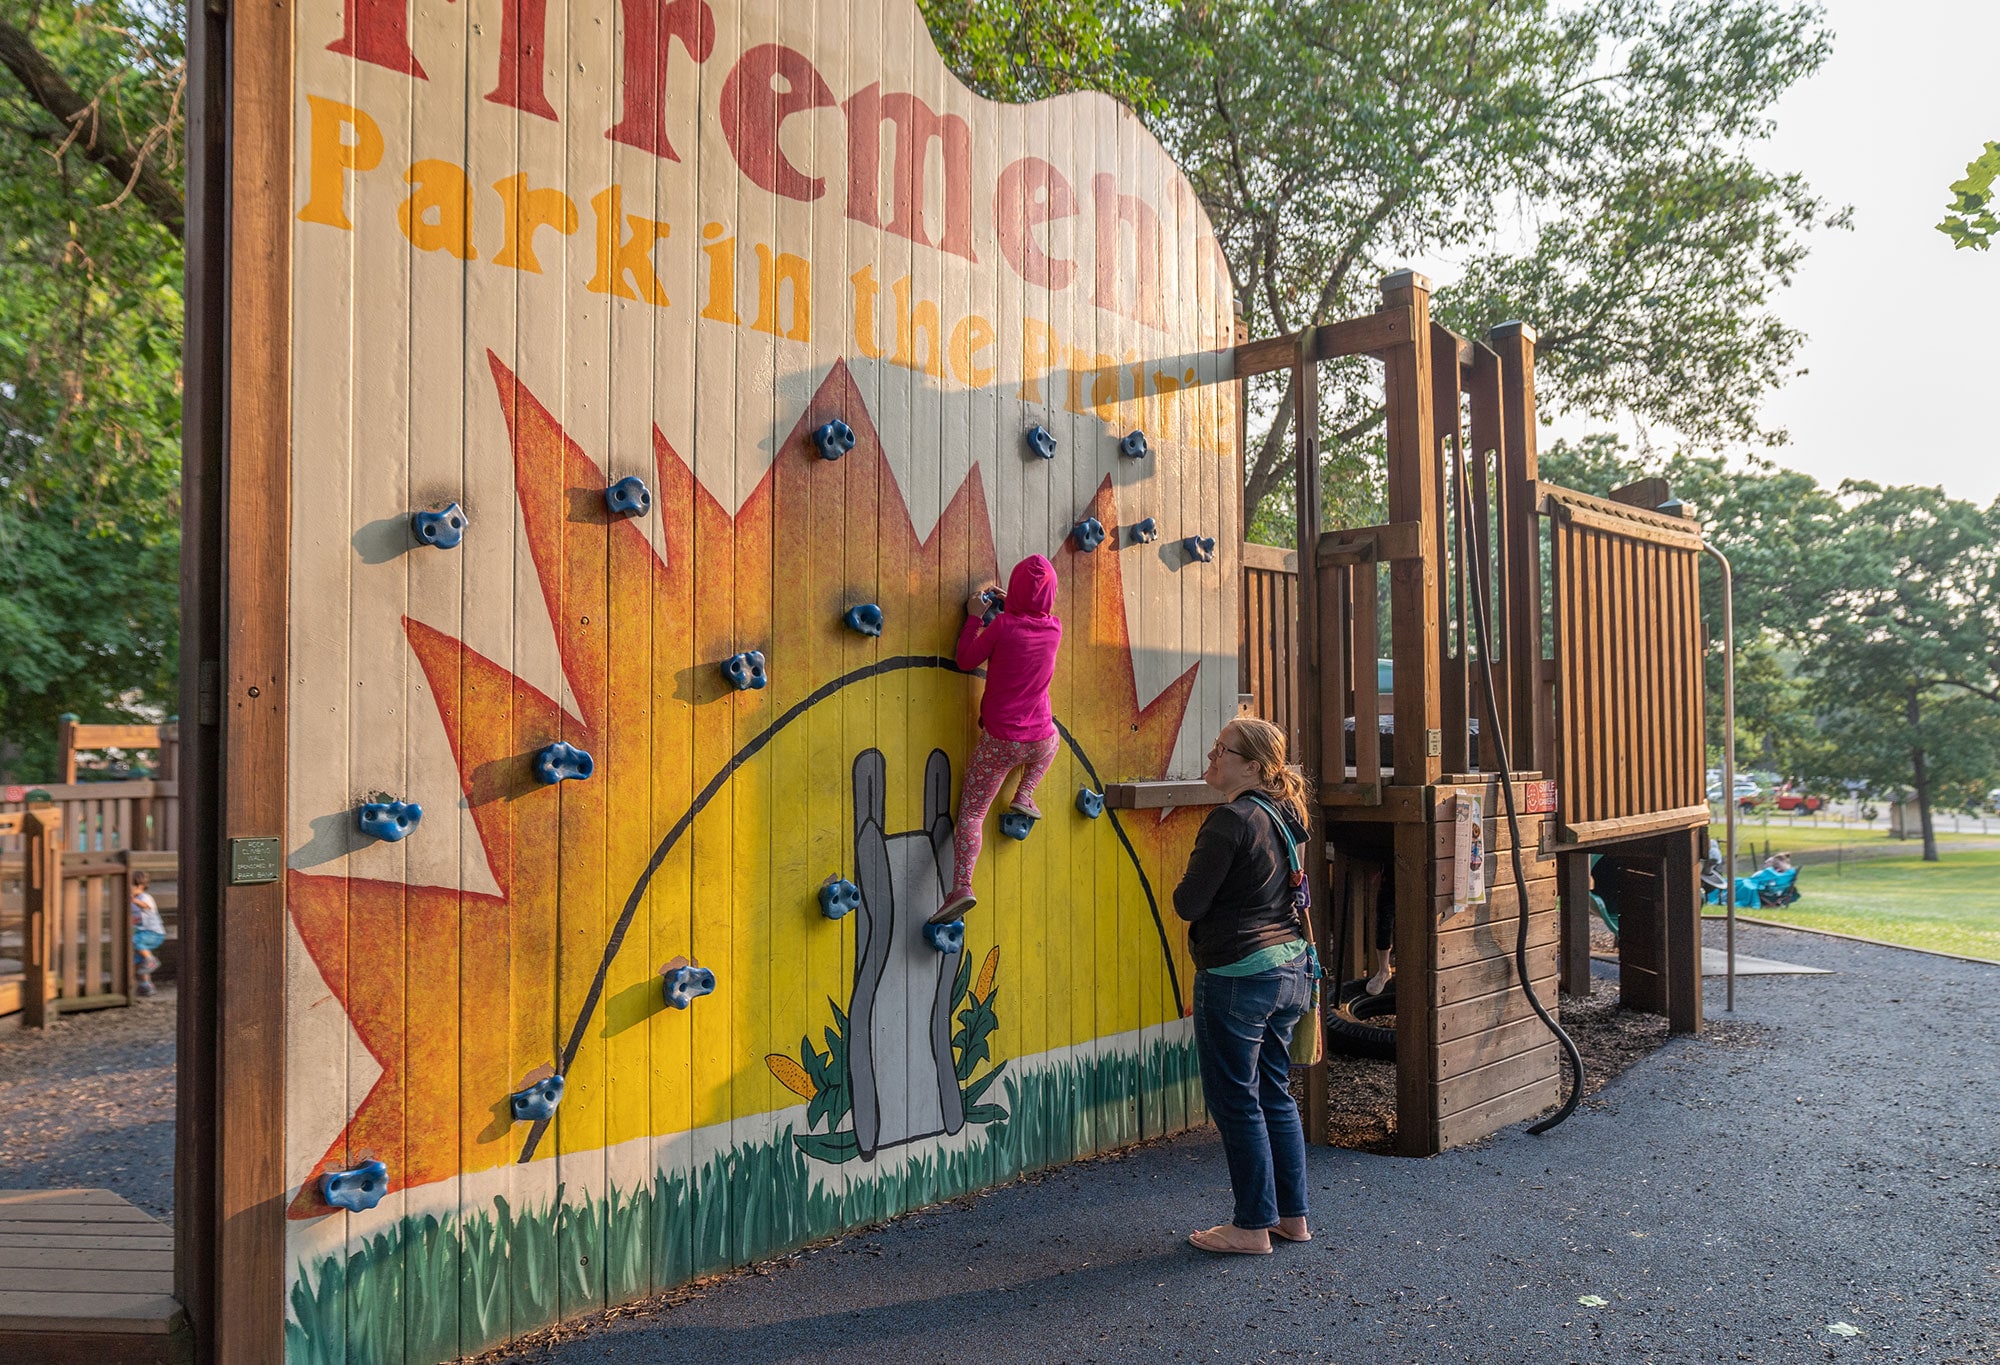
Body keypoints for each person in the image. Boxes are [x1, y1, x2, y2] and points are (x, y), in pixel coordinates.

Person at [1173, 716, 1315, 1254]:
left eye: (1222, 749)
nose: (1212, 756)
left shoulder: (1228, 821)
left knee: (1236, 1101)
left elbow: (1190, 904)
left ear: (1253, 765)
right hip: (1288, 972)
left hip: (1238, 975)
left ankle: (1252, 1226)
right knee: (1274, 1094)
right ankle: (1291, 1218)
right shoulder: (1284, 815)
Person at [931, 554, 1063, 924]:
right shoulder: (1055, 629)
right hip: (1039, 737)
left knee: (973, 813)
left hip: (1000, 740)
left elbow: (965, 659)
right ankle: (1025, 793)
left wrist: (975, 615)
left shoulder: (1002, 626)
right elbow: (1032, 617)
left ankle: (961, 888)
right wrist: (1018, 603)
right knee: (1053, 742)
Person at [130, 869, 165, 998]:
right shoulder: (132, 900)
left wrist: (134, 901)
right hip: (143, 934)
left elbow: (146, 906)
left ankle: (152, 960)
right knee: (139, 961)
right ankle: (147, 985)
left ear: (140, 886)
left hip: (154, 933)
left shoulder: (145, 897)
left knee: (134, 941)